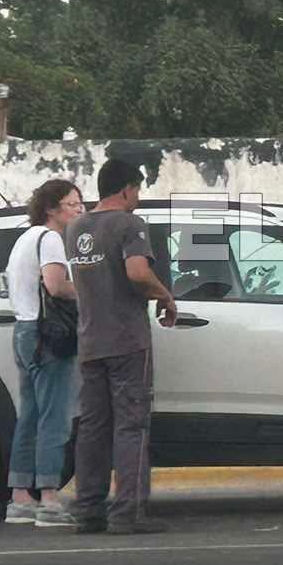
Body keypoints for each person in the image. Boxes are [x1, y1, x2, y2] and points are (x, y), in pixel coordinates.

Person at [67, 159, 178, 535]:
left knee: (93, 428)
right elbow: (137, 273)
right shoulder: (130, 225)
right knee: (131, 426)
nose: (138, 199)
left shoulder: (76, 227)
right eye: (137, 190)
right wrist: (165, 296)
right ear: (126, 189)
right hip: (127, 342)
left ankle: (88, 509)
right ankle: (127, 512)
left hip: (90, 341)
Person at [5, 178, 82, 526]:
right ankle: (49, 497)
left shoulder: (24, 239)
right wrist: (89, 286)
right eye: (72, 204)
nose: (79, 210)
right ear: (52, 209)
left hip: (24, 331)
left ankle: (20, 496)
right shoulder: (51, 239)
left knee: (31, 415)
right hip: (48, 335)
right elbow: (56, 285)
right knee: (54, 417)